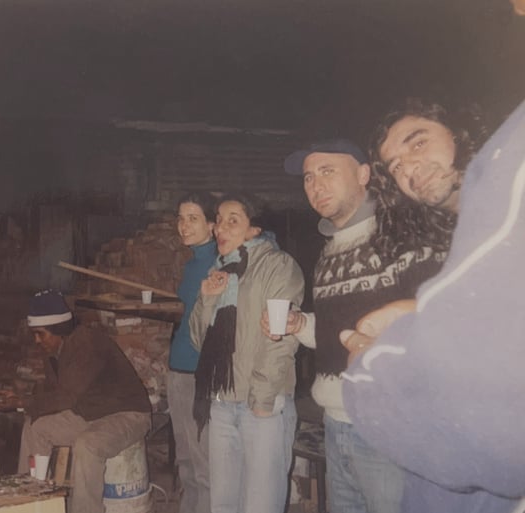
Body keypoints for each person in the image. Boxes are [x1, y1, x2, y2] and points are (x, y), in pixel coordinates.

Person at [341, 99, 525, 513]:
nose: (408, 167)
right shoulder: (460, 238)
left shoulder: (509, 184)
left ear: (459, 132)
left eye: (418, 143)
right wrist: (416, 311)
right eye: (395, 166)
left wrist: (369, 368)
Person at [268, 139, 445, 513]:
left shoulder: (401, 235)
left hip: (388, 429)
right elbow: (333, 336)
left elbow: (441, 325)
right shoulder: (329, 252)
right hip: (335, 424)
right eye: (308, 177)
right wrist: (299, 324)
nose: (316, 185)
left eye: (327, 171)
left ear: (364, 174)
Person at [189, 193, 303, 513]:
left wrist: (262, 401)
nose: (220, 228)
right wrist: (208, 299)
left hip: (262, 404)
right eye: (219, 221)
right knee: (223, 504)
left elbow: (280, 338)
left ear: (254, 230)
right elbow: (199, 342)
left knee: (260, 505)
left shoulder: (277, 265)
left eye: (233, 221)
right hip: (222, 402)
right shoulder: (219, 271)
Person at [0, 289, 151, 513]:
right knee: (35, 427)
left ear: (59, 329)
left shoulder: (87, 343)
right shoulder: (54, 350)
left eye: (40, 334)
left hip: (127, 414)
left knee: (88, 445)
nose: (37, 340)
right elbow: (53, 395)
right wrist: (20, 401)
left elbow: (65, 397)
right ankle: (30, 502)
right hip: (89, 413)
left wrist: (22, 401)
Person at [168, 192, 216, 513]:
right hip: (177, 371)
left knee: (204, 465)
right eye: (181, 218)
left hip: (201, 374)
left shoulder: (218, 265)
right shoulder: (191, 265)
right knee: (184, 460)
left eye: (193, 218)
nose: (184, 225)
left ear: (212, 225)